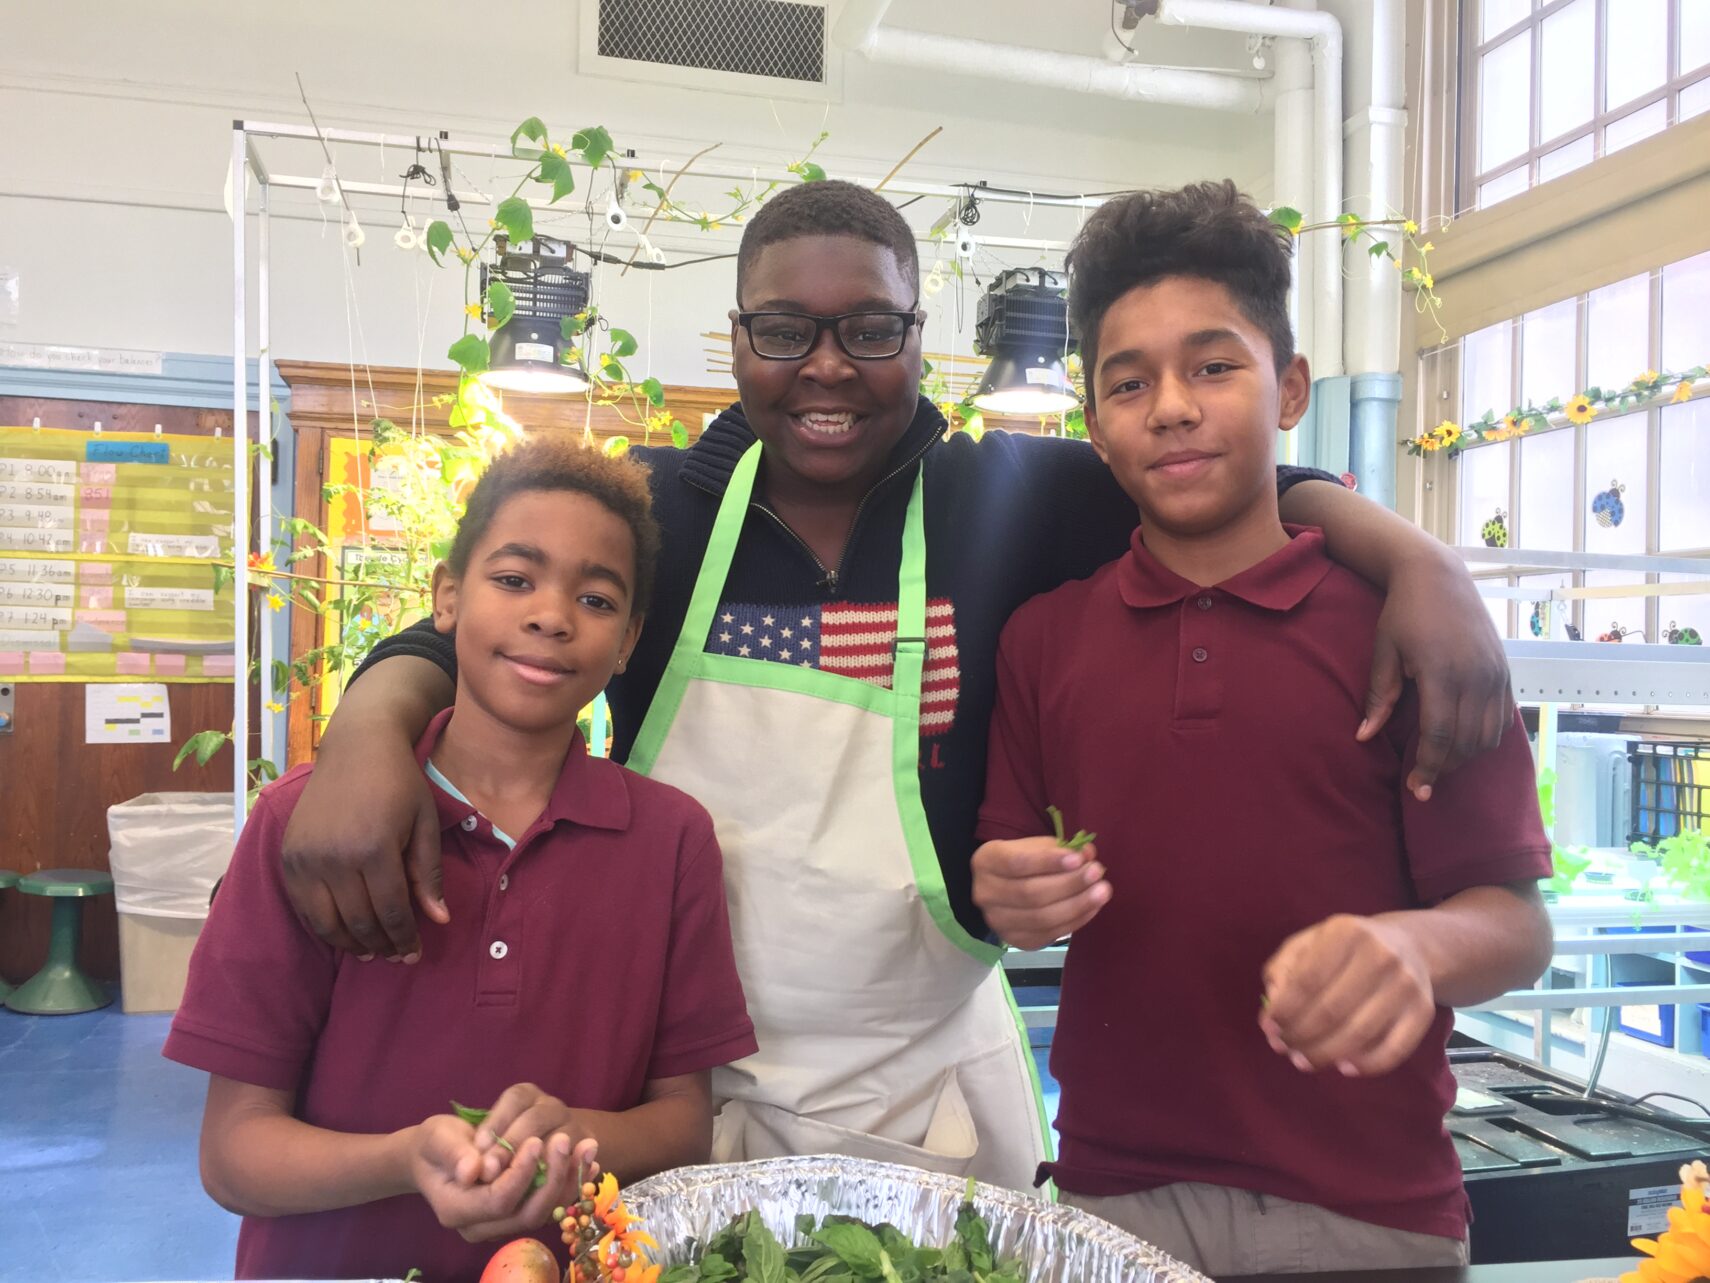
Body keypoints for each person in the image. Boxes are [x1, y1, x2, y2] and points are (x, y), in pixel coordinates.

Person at [276, 180, 1515, 1191]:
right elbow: (500, 628)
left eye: (872, 329)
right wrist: (371, 725)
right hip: (664, 1084)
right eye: (784, 330)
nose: (828, 367)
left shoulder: (1013, 501)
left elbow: (1226, 486)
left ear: (921, 339)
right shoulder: (659, 507)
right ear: (739, 340)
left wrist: (1416, 559)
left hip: (927, 1091)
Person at [971, 181, 1553, 1275]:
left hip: (1368, 1206)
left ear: (1288, 388)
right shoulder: (1045, 638)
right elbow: (1008, 883)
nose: (1173, 406)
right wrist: (1013, 891)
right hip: (1108, 1191)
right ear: (1094, 425)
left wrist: (1411, 944)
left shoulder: (1409, 631)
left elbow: (1517, 926)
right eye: (1128, 382)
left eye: (1213, 366)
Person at [163, 440, 756, 1282]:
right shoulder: (310, 825)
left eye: (593, 597)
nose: (551, 615)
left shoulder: (671, 840)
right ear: (446, 596)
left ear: (627, 641)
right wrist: (406, 1158)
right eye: (515, 579)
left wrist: (572, 1137)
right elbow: (232, 1153)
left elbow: (681, 1123)